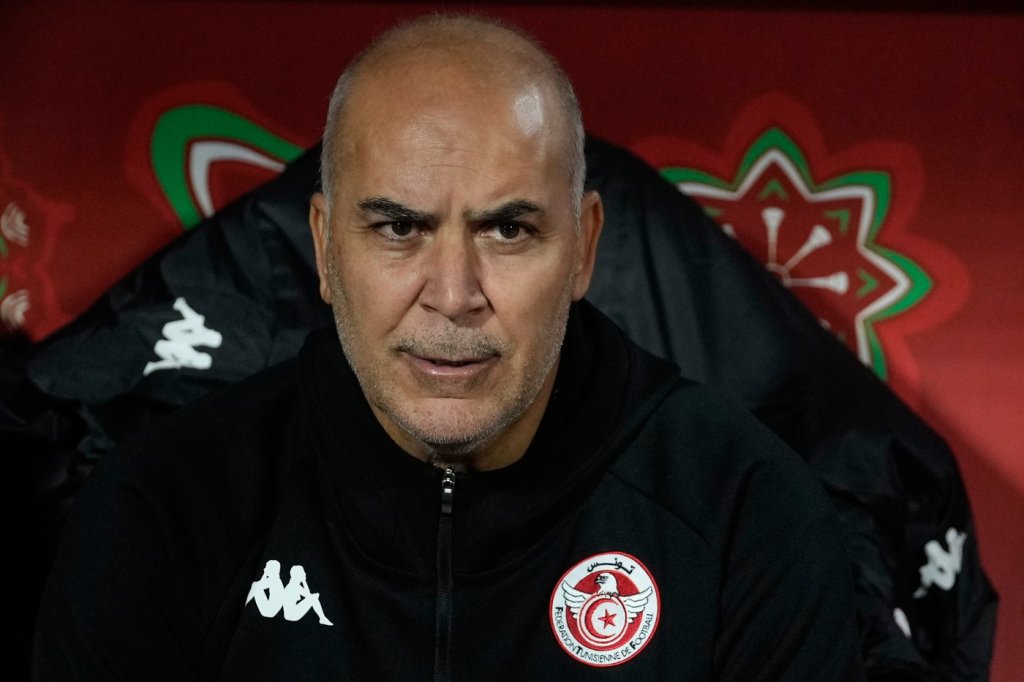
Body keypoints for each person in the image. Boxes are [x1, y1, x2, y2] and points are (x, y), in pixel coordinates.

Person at [34, 14, 865, 680]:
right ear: (324, 247)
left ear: (583, 248)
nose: (455, 293)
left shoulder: (747, 515)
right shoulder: (166, 509)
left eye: (508, 230)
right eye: (399, 228)